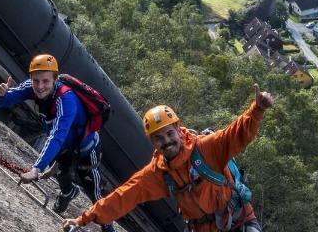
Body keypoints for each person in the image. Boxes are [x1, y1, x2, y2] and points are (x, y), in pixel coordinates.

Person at [61, 84, 275, 232]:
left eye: (170, 133)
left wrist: (257, 109)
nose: (166, 141)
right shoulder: (158, 174)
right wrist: (83, 219)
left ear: (179, 129)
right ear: (153, 143)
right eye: (158, 138)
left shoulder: (206, 149)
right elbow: (122, 197)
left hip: (239, 222)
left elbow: (236, 133)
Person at [0, 54, 115, 232]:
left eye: (45, 81)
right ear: (31, 79)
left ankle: (108, 227)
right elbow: (2, 102)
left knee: (93, 190)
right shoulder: (31, 87)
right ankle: (68, 192)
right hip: (65, 145)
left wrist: (36, 168)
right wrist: (1, 94)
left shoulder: (66, 100)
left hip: (86, 148)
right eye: (36, 81)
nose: (40, 87)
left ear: (55, 79)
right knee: (62, 172)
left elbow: (57, 135)